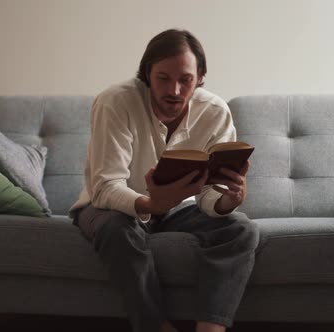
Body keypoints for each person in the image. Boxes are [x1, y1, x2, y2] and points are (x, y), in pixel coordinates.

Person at [69, 29, 259, 332]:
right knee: (118, 229)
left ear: (199, 78)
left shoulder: (214, 112)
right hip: (108, 207)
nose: (175, 90)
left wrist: (227, 201)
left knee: (241, 229)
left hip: (178, 209)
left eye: (185, 80)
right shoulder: (115, 102)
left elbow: (209, 195)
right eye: (163, 78)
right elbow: (105, 186)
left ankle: (210, 329)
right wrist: (149, 203)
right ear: (147, 73)